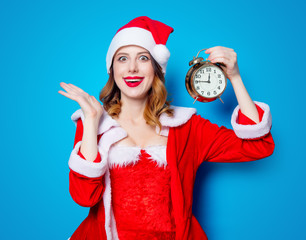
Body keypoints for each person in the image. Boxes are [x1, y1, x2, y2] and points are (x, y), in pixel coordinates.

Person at [58, 16, 275, 240]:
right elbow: (85, 197)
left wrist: (235, 77)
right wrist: (92, 120)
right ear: (112, 69)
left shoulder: (186, 128)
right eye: (122, 58)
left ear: (156, 69)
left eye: (143, 58)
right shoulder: (93, 124)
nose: (132, 68)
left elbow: (258, 145)